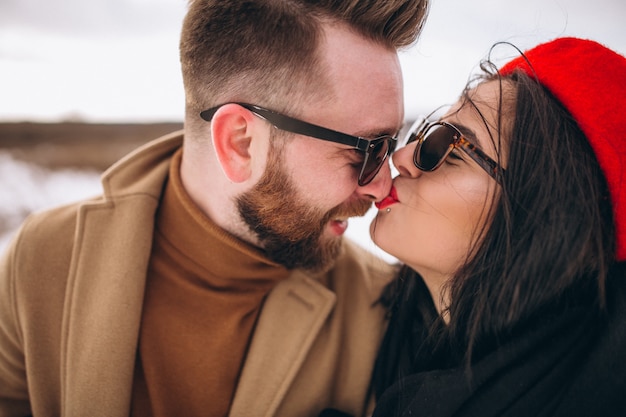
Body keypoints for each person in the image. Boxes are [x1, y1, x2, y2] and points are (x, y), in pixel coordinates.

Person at [0, 1, 430, 416]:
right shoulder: (40, 261)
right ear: (240, 143)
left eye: (391, 147)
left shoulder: (385, 309)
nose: (382, 186)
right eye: (368, 151)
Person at [369, 37, 626, 416]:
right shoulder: (374, 324)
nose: (403, 157)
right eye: (422, 133)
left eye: (446, 149)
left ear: (544, 216)